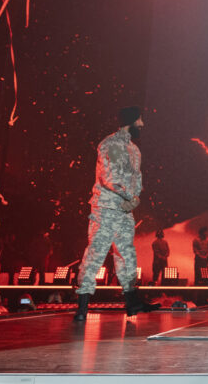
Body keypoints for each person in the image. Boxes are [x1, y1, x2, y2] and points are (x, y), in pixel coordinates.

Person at [73, 106, 160, 321]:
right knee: (95, 254)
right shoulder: (110, 144)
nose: (142, 124)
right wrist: (129, 197)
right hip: (106, 209)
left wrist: (135, 199)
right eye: (140, 120)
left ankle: (132, 303)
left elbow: (137, 178)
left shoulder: (134, 149)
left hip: (124, 211)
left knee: (127, 255)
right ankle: (82, 307)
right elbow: (109, 177)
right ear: (131, 121)